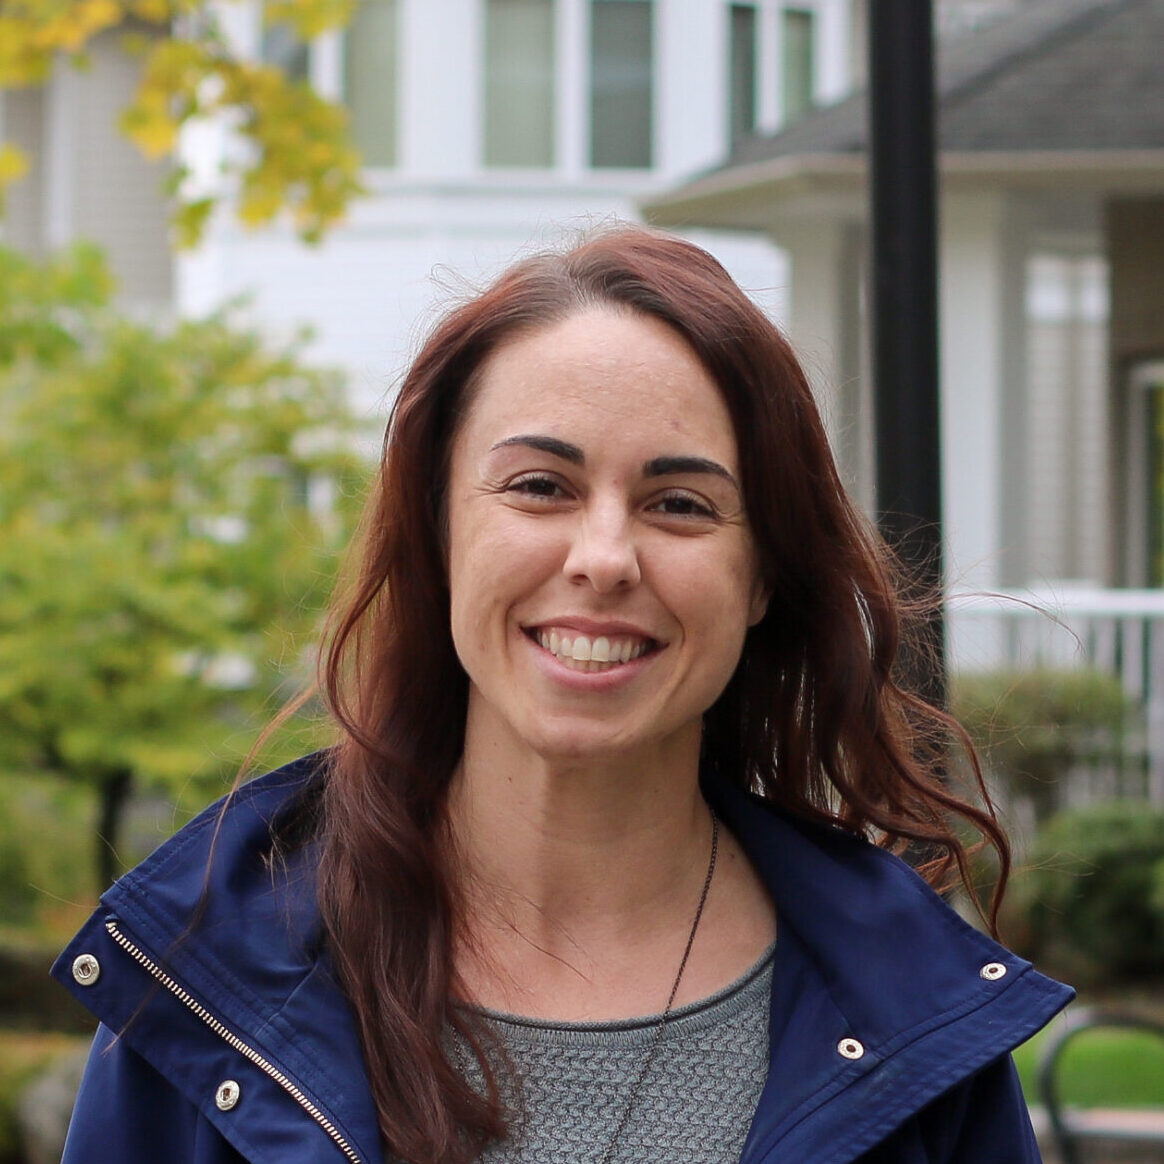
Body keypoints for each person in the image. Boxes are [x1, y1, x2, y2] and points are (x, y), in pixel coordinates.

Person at [54, 226, 1072, 1164]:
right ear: (440, 531)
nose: (605, 557)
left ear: (763, 577)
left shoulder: (915, 1009)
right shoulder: (209, 978)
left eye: (682, 504)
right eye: (540, 486)